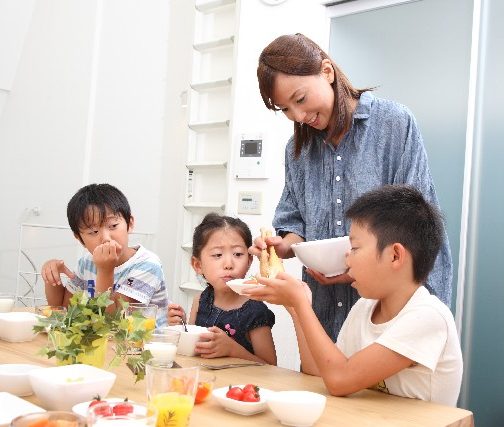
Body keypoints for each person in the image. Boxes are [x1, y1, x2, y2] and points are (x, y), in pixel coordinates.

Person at [250, 33, 453, 342]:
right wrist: (281, 247)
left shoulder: (394, 124)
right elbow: (295, 228)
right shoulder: (297, 151)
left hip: (391, 313)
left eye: (301, 99)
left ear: (327, 72)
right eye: (286, 109)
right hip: (325, 315)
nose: (299, 116)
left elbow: (416, 224)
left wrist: (362, 268)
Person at [245, 185, 463, 406]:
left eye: (355, 247)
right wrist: (296, 309)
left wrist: (301, 305)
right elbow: (320, 372)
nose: (347, 257)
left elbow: (339, 380)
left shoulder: (428, 317)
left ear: (395, 255)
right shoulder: (365, 307)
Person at [41, 183, 168, 326]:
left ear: (130, 224)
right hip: (104, 345)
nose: (106, 238)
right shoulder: (86, 263)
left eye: (113, 226)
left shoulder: (148, 265)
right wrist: (51, 277)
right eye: (93, 232)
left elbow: (113, 322)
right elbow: (65, 311)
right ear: (79, 239)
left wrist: (105, 270)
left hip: (144, 345)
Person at [168, 213, 277, 365]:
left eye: (238, 254)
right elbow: (193, 352)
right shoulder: (201, 300)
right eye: (217, 255)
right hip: (206, 383)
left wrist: (233, 350)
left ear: (249, 261)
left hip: (240, 386)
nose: (228, 264)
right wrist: (180, 329)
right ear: (198, 265)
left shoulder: (255, 311)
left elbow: (270, 367)